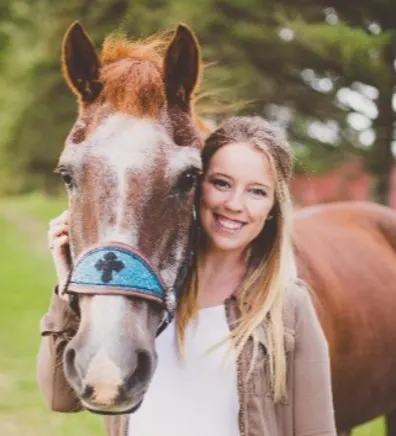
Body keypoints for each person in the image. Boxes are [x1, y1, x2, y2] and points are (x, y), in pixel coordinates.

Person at [39, 116, 337, 436]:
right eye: (221, 183)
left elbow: (316, 430)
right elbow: (61, 396)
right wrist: (68, 283)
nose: (234, 204)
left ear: (273, 207)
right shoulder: (146, 287)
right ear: (194, 187)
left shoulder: (288, 306)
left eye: (257, 192)